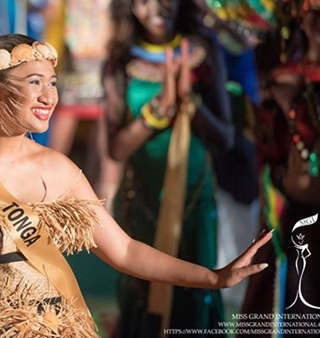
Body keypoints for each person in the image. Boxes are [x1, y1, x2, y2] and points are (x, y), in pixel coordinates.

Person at [0, 33, 273, 337]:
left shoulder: (60, 170)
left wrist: (214, 277)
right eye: (34, 83)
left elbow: (125, 251)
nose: (49, 96)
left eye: (53, 83)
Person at [103, 0, 236, 336]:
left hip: (195, 203)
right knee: (141, 295)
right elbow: (116, 149)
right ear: (130, 7)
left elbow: (225, 138)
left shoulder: (204, 54)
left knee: (196, 294)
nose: (156, 8)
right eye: (143, 1)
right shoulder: (121, 61)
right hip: (141, 203)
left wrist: (189, 101)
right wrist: (157, 112)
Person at [240, 0, 320, 334]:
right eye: (316, 10)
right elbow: (281, 177)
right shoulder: (280, 86)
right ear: (298, 14)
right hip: (302, 235)